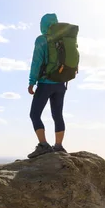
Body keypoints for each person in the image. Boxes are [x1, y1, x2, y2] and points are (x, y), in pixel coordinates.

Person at [27, 13, 68, 158]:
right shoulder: (64, 39)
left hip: (45, 83)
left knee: (34, 114)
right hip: (61, 84)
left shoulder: (42, 40)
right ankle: (59, 146)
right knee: (57, 115)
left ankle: (43, 145)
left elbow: (36, 62)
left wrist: (32, 82)